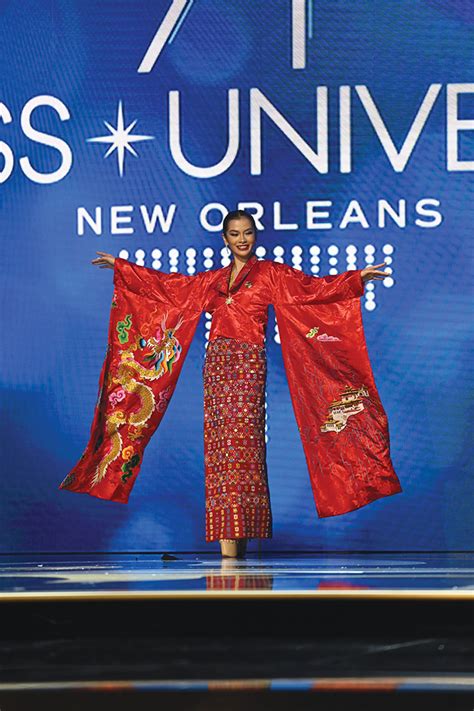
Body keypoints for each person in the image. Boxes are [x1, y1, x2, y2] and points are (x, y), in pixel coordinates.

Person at [59, 210, 402, 559]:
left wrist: (357, 278)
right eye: (235, 234)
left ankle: (239, 542)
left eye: (248, 232)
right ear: (225, 239)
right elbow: (169, 288)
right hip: (218, 370)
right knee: (222, 455)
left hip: (248, 367)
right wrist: (122, 268)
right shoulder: (214, 281)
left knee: (246, 452)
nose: (242, 239)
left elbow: (313, 290)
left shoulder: (270, 274)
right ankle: (228, 546)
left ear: (255, 236)